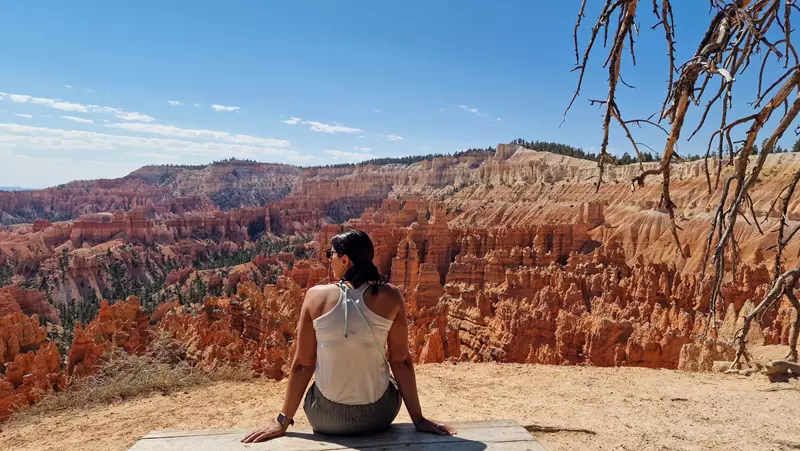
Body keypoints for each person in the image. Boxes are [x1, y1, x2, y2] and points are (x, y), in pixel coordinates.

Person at [242, 229, 455, 443]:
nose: (329, 259)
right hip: (379, 416)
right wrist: (419, 420)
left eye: (331, 254)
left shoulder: (315, 297)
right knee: (388, 376)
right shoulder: (391, 296)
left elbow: (302, 366)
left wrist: (282, 421)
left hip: (326, 419)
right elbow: (401, 362)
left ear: (345, 260)